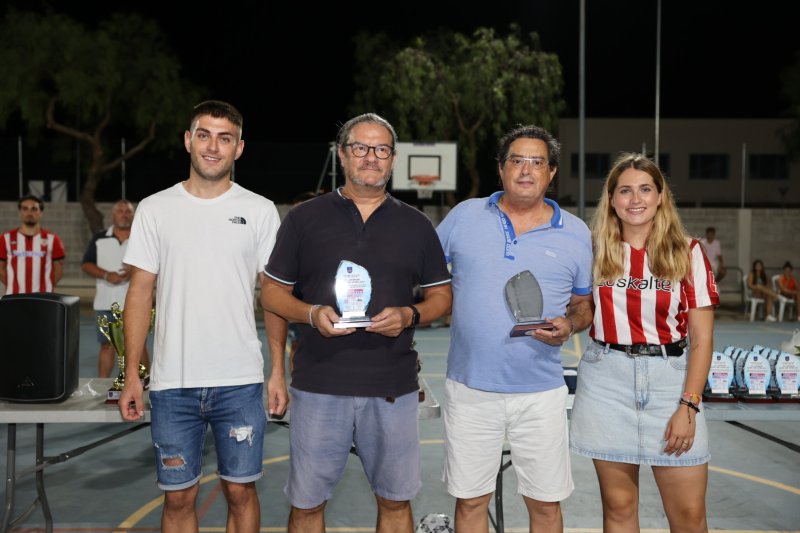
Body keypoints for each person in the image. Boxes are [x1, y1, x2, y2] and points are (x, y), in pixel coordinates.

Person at [261, 112, 452, 533]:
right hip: (318, 384)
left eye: (381, 149)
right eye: (361, 147)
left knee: (395, 501)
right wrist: (311, 314)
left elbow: (442, 297)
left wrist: (410, 314)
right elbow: (272, 293)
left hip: (391, 387)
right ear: (343, 155)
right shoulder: (304, 218)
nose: (371, 157)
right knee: (307, 504)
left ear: (393, 159)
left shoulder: (417, 225)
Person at [118, 100, 287, 533]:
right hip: (173, 382)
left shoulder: (260, 210)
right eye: (205, 135)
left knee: (241, 492)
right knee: (178, 498)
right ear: (188, 141)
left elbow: (274, 296)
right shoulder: (155, 208)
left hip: (240, 381)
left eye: (225, 138)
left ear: (239, 148)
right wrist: (133, 372)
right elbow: (139, 292)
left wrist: (277, 371)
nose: (213, 146)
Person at [435, 124, 593, 533]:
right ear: (501, 168)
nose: (526, 170)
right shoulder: (464, 216)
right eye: (516, 160)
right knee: (471, 501)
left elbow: (584, 305)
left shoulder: (577, 232)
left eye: (536, 162)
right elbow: (423, 275)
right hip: (470, 388)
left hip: (541, 393)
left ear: (551, 172)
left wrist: (570, 324)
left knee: (545, 505)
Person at [569, 153, 718, 532]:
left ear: (661, 196)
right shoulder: (593, 249)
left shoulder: (688, 251)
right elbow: (579, 308)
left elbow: (702, 339)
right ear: (611, 199)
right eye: (625, 191)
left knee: (688, 516)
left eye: (645, 189)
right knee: (619, 509)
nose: (635, 199)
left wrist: (689, 405)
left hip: (671, 384)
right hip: (606, 383)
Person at [81, 199, 151, 377]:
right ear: (113, 215)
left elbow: (155, 265)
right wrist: (106, 275)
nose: (124, 215)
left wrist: (134, 271)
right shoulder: (99, 238)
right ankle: (102, 386)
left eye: (128, 212)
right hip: (105, 303)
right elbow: (86, 264)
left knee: (139, 345)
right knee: (106, 346)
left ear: (133, 216)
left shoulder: (142, 238)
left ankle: (146, 384)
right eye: (120, 211)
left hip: (136, 303)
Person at [0, 195, 65, 295]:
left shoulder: (53, 240)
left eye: (34, 209)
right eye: (25, 209)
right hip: (14, 298)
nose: (29, 213)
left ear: (41, 212)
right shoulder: (5, 239)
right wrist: (13, 285)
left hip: (43, 298)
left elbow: (59, 271)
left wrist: (45, 287)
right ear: (20, 212)